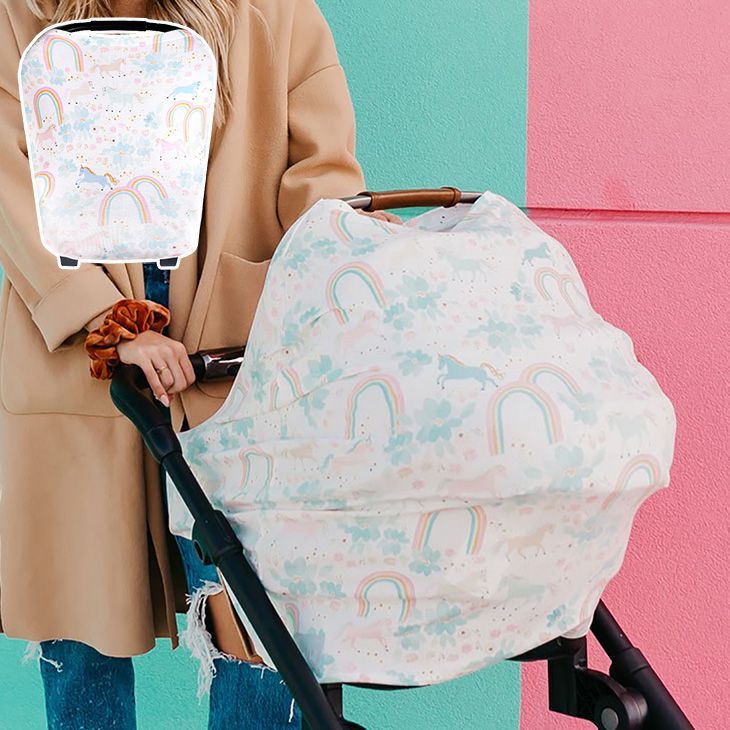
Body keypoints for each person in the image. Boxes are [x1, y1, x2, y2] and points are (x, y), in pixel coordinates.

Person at [0, 0, 399, 727]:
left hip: (235, 351)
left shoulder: (273, 14)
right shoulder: (19, 19)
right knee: (80, 620)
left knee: (257, 617)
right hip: (77, 355)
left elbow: (321, 176)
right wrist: (105, 320)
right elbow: (12, 185)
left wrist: (349, 272)